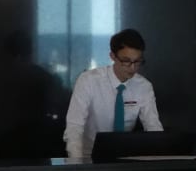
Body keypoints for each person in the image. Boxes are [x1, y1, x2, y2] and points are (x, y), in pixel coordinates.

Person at [64, 29, 162, 162]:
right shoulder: (88, 80)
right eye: (126, 61)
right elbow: (74, 126)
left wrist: (161, 159)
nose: (132, 68)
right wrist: (77, 163)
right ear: (113, 56)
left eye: (137, 61)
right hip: (89, 157)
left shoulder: (144, 86)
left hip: (127, 158)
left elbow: (153, 127)